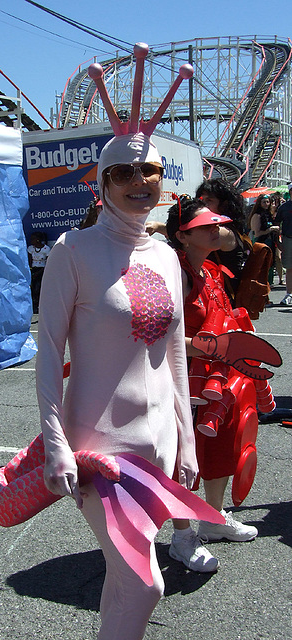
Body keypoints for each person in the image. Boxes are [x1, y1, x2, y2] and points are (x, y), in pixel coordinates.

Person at [35, 123, 202, 636]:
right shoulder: (72, 250)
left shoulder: (168, 256)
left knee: (123, 577)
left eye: (149, 170)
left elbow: (174, 355)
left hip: (162, 446)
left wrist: (188, 442)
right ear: (102, 183)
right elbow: (47, 353)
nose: (138, 181)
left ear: (162, 179)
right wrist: (55, 445)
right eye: (123, 172)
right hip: (103, 451)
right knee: (144, 585)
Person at [165, 197, 258, 567]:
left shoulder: (213, 271)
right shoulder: (176, 272)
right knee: (184, 458)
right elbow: (158, 331)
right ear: (182, 237)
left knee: (223, 443)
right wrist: (206, 348)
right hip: (185, 378)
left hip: (220, 378)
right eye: (205, 226)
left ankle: (212, 518)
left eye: (216, 224)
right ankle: (183, 536)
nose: (216, 230)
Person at [248, 194, 280, 286]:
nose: (266, 204)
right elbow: (257, 233)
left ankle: (268, 285)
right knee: (262, 267)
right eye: (264, 202)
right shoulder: (257, 215)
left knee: (270, 266)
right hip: (261, 243)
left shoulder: (269, 214)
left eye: (267, 202)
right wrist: (270, 229)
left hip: (270, 243)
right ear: (259, 203)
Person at [275, 183, 292, 305]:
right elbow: (277, 224)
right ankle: (289, 294)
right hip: (288, 239)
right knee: (290, 268)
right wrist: (278, 242)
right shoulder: (284, 207)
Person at [27, 232, 50, 314]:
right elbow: (29, 261)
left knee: (39, 288)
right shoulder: (30, 249)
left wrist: (39, 272)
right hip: (33, 270)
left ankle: (40, 306)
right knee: (33, 289)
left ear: (37, 240)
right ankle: (34, 306)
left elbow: (48, 263)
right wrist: (31, 270)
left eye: (33, 239)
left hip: (42, 270)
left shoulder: (46, 249)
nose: (31, 241)